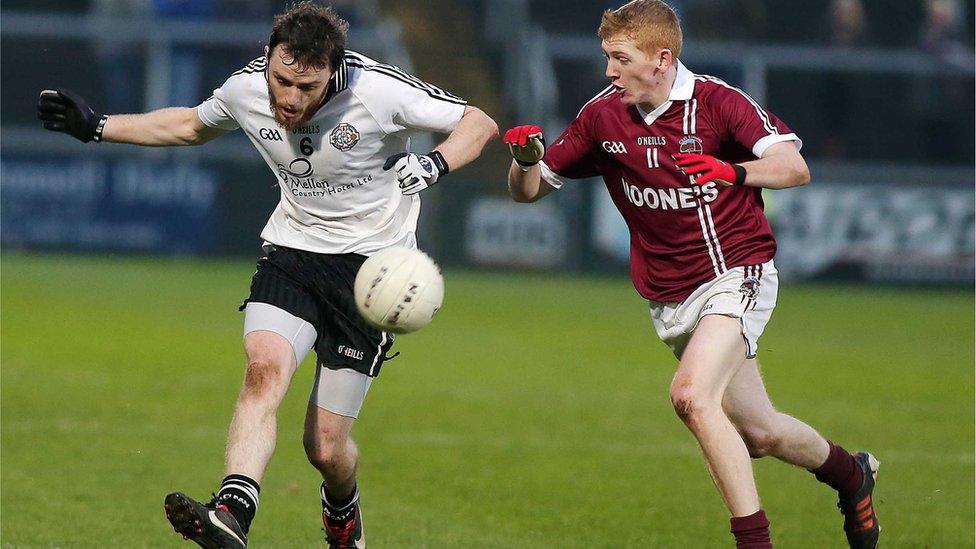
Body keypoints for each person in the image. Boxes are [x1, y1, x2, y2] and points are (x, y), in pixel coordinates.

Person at [37, 2, 498, 547]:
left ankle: (342, 508)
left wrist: (435, 163)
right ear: (268, 58)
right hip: (292, 256)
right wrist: (97, 126)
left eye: (309, 87)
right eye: (282, 81)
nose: (291, 99)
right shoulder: (246, 89)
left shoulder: (377, 91)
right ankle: (232, 512)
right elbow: (190, 125)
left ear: (334, 68)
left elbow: (479, 122)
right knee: (263, 370)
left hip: (373, 279)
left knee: (325, 449)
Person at [502, 1, 878, 548]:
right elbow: (529, 191)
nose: (609, 70)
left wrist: (732, 171)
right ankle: (852, 474)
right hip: (672, 296)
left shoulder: (719, 102)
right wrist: (524, 160)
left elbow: (795, 168)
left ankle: (754, 542)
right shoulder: (601, 116)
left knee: (691, 397)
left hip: (737, 270)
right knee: (758, 432)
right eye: (606, 56)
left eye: (619, 58)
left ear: (661, 58)